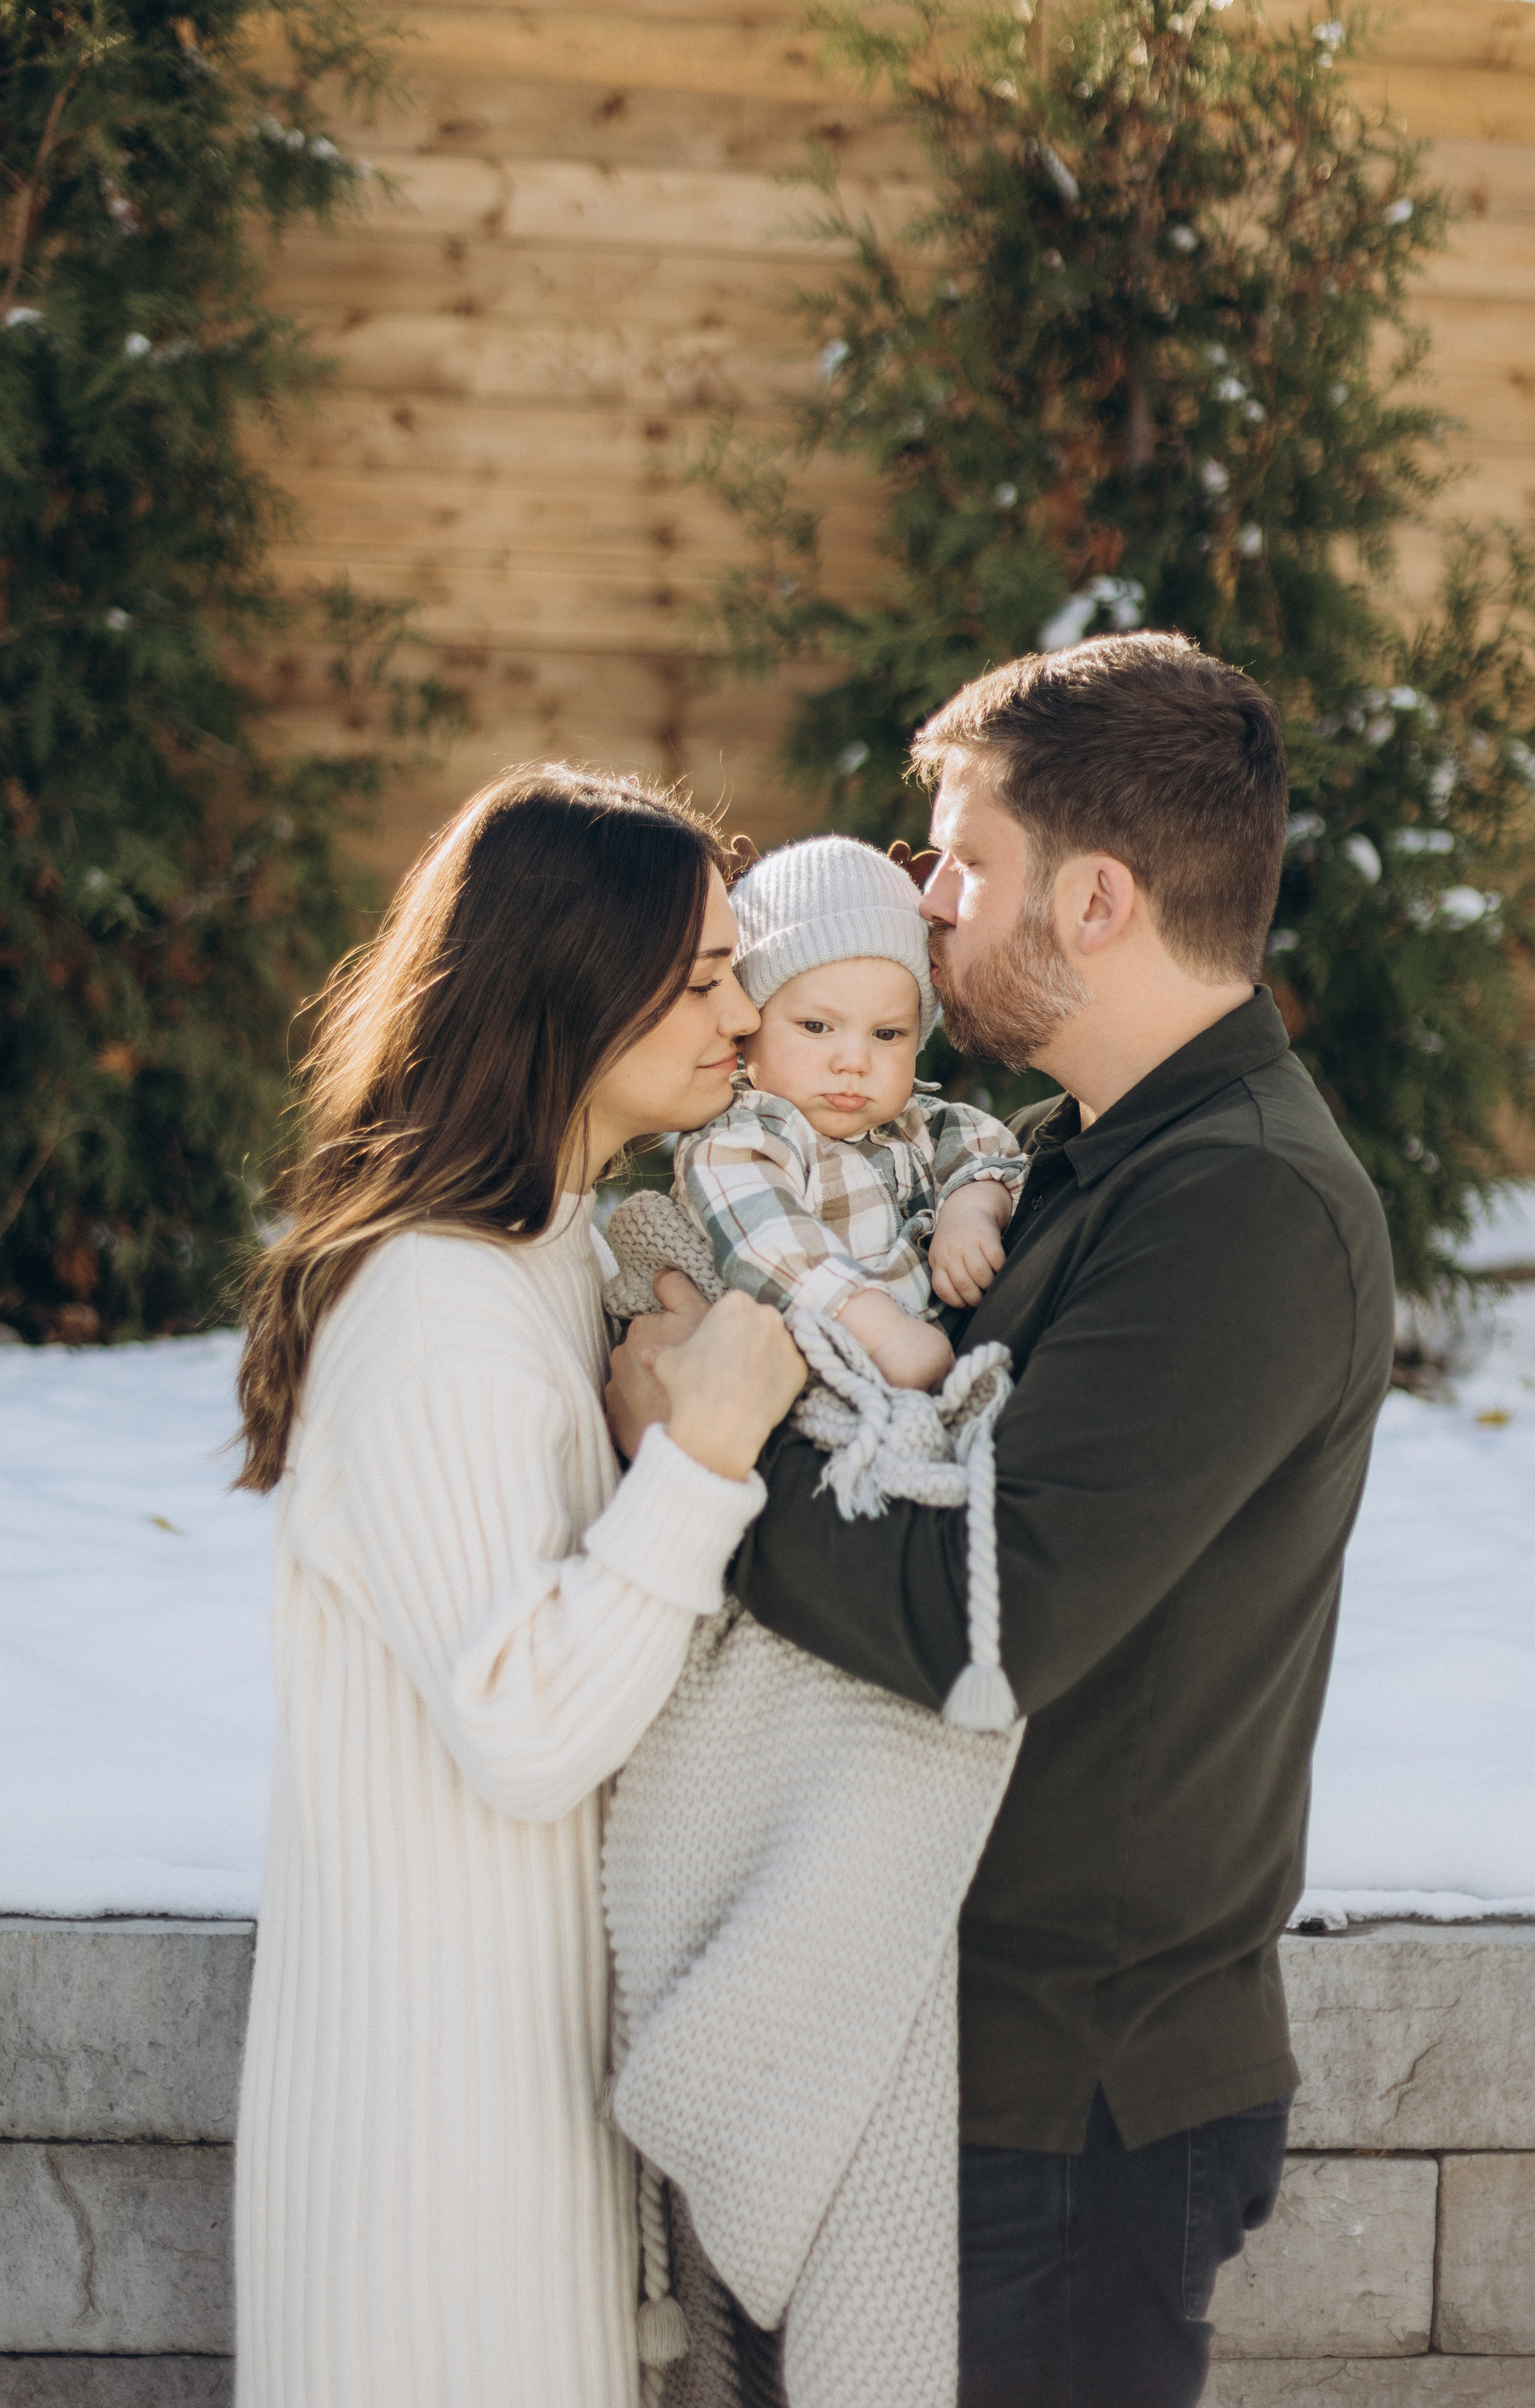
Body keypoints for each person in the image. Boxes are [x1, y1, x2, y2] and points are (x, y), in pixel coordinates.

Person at [606, 634, 1397, 2408]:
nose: (926, 898)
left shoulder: (1245, 1210)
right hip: (942, 2067)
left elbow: (987, 1624)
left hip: (1067, 2106)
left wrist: (703, 1453)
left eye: (963, 860)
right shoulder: (1062, 1156)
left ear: (1099, 899)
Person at [230, 766, 804, 2408]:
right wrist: (700, 1460)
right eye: (700, 977)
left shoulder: (547, 1257)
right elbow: (528, 1731)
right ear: (569, 977)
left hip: (516, 2110)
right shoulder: (440, 1318)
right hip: (428, 2171)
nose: (745, 1007)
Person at [675, 832, 1025, 1390]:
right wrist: (882, 1332)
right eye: (817, 1027)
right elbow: (769, 1241)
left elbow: (988, 1149)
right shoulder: (743, 1138)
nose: (855, 1061)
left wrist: (970, 1213)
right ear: (750, 1028)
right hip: (808, 1378)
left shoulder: (919, 1124)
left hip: (921, 1377)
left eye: (888, 1034)